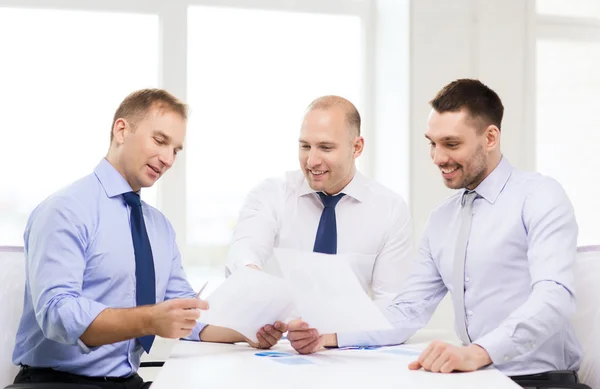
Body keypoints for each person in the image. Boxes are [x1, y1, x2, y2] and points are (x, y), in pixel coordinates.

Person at [287, 79, 583, 381]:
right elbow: (407, 311)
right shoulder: (443, 219)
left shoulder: (540, 196)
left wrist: (478, 352)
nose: (438, 157)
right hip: (476, 378)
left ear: (490, 138)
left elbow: (554, 296)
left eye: (451, 144)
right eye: (433, 143)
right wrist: (328, 335)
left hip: (540, 380)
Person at [12, 89, 286, 389]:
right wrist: (150, 320)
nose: (168, 158)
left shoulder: (159, 227)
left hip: (125, 381)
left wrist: (247, 332)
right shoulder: (66, 210)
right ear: (121, 130)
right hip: (56, 383)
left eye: (176, 150)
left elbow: (185, 313)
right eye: (160, 140)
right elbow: (58, 314)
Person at [226, 95, 413, 310]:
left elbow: (392, 303)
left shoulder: (389, 210)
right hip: (279, 336)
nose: (312, 161)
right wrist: (254, 286)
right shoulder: (271, 194)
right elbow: (243, 251)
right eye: (305, 146)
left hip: (347, 339)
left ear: (357, 147)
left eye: (325, 148)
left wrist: (336, 338)